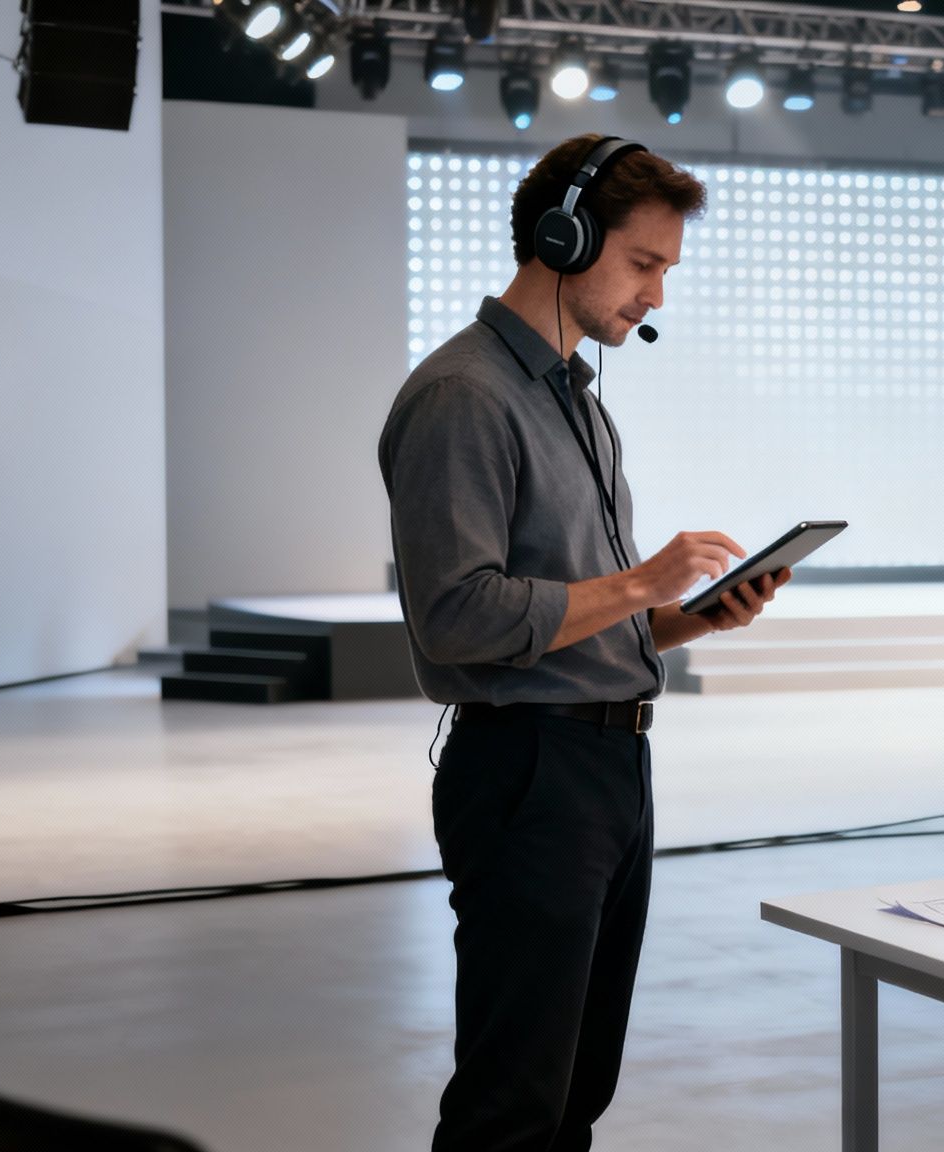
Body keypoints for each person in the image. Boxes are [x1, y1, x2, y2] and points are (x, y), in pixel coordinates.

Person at [379, 135, 792, 1152]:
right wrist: (646, 580)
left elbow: (582, 614)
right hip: (527, 770)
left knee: (575, 1090)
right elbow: (459, 615)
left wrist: (688, 614)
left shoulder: (577, 403)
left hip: (608, 764)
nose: (655, 294)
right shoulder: (463, 397)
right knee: (513, 1099)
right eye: (644, 264)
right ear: (561, 238)